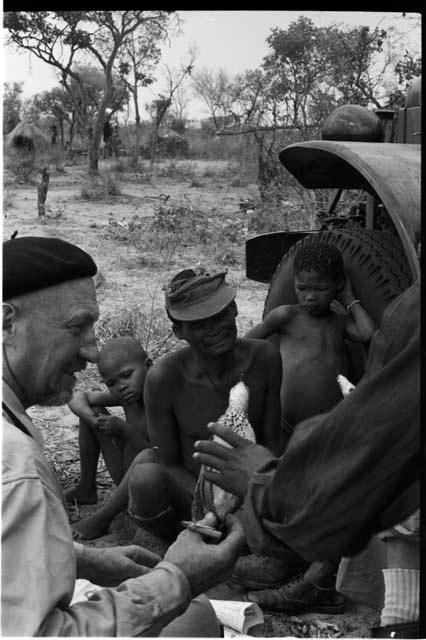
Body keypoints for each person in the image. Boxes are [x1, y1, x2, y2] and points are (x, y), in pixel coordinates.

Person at [2, 236, 245, 636]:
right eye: (78, 326)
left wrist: (81, 558)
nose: (93, 352)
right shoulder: (13, 464)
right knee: (193, 619)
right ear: (7, 321)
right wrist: (176, 580)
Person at [193, 279, 420, 637]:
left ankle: (322, 586)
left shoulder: (409, 321)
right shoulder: (276, 329)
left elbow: (355, 489)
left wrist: (264, 481)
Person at [72, 267, 283, 544]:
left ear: (234, 309)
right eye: (199, 324)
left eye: (220, 315)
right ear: (178, 332)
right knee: (146, 475)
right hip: (193, 495)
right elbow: (168, 462)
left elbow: (273, 444)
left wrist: (255, 496)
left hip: (252, 489)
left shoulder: (264, 358)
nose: (215, 329)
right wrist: (210, 506)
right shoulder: (164, 378)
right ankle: (182, 543)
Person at [246, 242, 376, 448]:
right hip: (284, 423)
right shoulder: (286, 316)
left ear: (338, 284)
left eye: (321, 289)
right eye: (302, 288)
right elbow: (247, 344)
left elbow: (368, 333)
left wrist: (349, 298)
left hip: (327, 425)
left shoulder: (339, 322)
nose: (310, 296)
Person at [65, 337, 154, 505]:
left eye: (127, 376)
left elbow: (160, 458)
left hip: (147, 481)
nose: (121, 386)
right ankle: (86, 487)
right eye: (112, 383)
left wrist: (125, 431)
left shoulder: (161, 398)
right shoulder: (128, 398)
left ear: (148, 365)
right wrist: (92, 421)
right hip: (123, 471)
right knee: (93, 412)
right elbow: (76, 397)